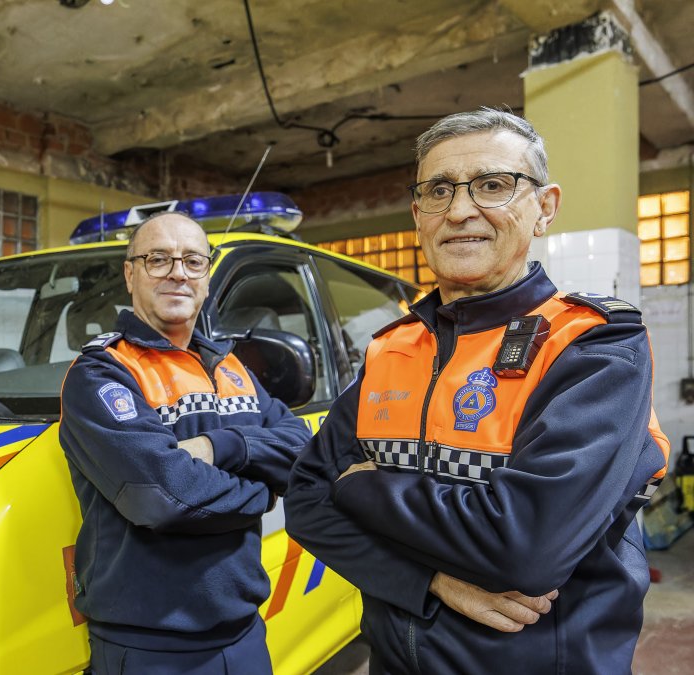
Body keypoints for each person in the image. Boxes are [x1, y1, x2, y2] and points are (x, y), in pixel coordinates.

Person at [285, 108, 670, 674]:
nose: (461, 209)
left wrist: (362, 489)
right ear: (418, 215)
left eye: (493, 185)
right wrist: (428, 582)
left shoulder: (594, 346)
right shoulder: (392, 349)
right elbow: (305, 502)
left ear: (544, 208)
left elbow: (526, 548)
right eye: (439, 190)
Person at [59, 212, 310, 674]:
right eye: (159, 259)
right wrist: (263, 491)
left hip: (246, 633)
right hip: (149, 648)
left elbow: (301, 446)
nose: (178, 272)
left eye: (193, 261)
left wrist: (222, 448)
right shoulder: (103, 373)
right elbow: (163, 496)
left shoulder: (230, 367)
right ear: (130, 274)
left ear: (207, 279)